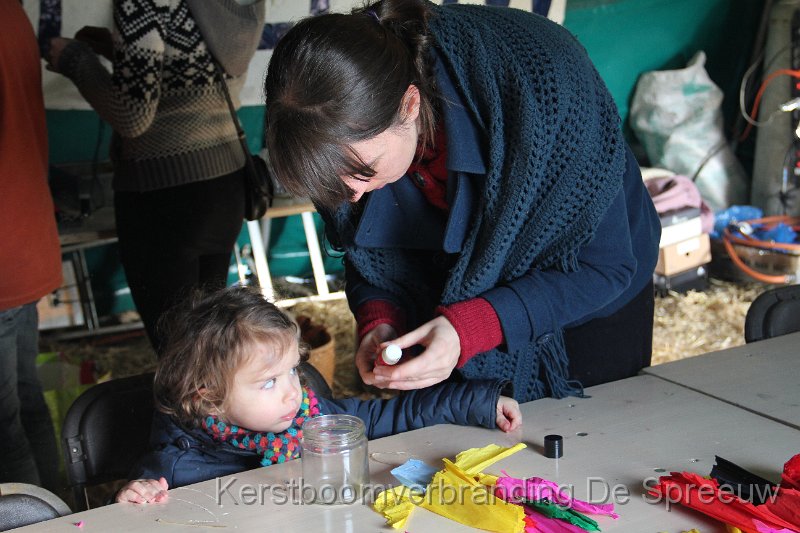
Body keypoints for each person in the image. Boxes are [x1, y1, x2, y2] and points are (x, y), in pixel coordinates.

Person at [264, 0, 661, 402]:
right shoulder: (332, 134)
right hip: (450, 308)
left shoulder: (547, 88)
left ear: (411, 105)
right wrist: (380, 317)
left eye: (364, 172)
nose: (351, 196)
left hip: (588, 299)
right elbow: (368, 253)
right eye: (331, 186)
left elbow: (603, 266)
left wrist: (472, 327)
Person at [115, 286, 520, 503]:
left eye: (293, 369)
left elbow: (391, 416)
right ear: (210, 397)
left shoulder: (311, 417)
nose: (294, 390)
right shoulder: (174, 466)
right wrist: (140, 493)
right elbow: (146, 505)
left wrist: (476, 402)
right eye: (269, 381)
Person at [45, 0, 265, 354]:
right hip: (224, 180)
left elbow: (133, 115)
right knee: (210, 349)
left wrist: (74, 59)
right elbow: (193, 72)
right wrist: (116, 49)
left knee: (178, 357)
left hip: (164, 189)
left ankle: (193, 412)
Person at [0, 0, 62, 492]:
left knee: (4, 424)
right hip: (26, 235)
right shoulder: (14, 15)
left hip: (4, 247)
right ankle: (61, 512)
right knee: (25, 399)